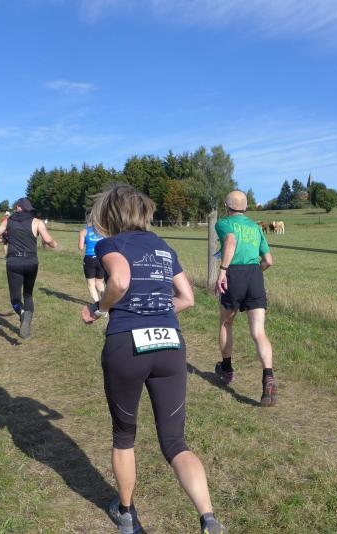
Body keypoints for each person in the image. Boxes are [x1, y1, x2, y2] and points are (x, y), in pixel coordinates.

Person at [80, 183, 226, 534]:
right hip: (170, 344)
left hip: (126, 345)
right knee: (175, 442)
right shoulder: (163, 246)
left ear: (109, 215)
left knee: (124, 436)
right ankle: (208, 518)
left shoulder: (110, 244)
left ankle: (126, 514)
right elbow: (187, 298)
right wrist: (156, 309)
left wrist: (98, 309)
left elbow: (119, 280)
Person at [214, 190, 276, 407]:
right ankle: (268, 377)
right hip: (255, 275)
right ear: (246, 207)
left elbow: (230, 240)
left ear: (226, 206)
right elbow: (268, 260)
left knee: (226, 322)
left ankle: (227, 369)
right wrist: (255, 274)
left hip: (234, 273)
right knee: (259, 331)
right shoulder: (255, 227)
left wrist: (223, 271)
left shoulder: (223, 223)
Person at [0, 198, 58, 339]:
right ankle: (27, 316)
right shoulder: (37, 222)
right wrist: (54, 244)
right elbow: (48, 240)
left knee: (15, 298)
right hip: (31, 262)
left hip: (14, 262)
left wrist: (6, 239)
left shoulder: (8, 221)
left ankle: (22, 313)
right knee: (28, 294)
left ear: (17, 207)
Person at [78, 218, 105, 303]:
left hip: (89, 258)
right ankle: (106, 302)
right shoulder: (103, 231)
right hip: (101, 258)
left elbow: (81, 247)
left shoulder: (83, 231)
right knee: (100, 282)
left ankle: (97, 305)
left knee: (91, 284)